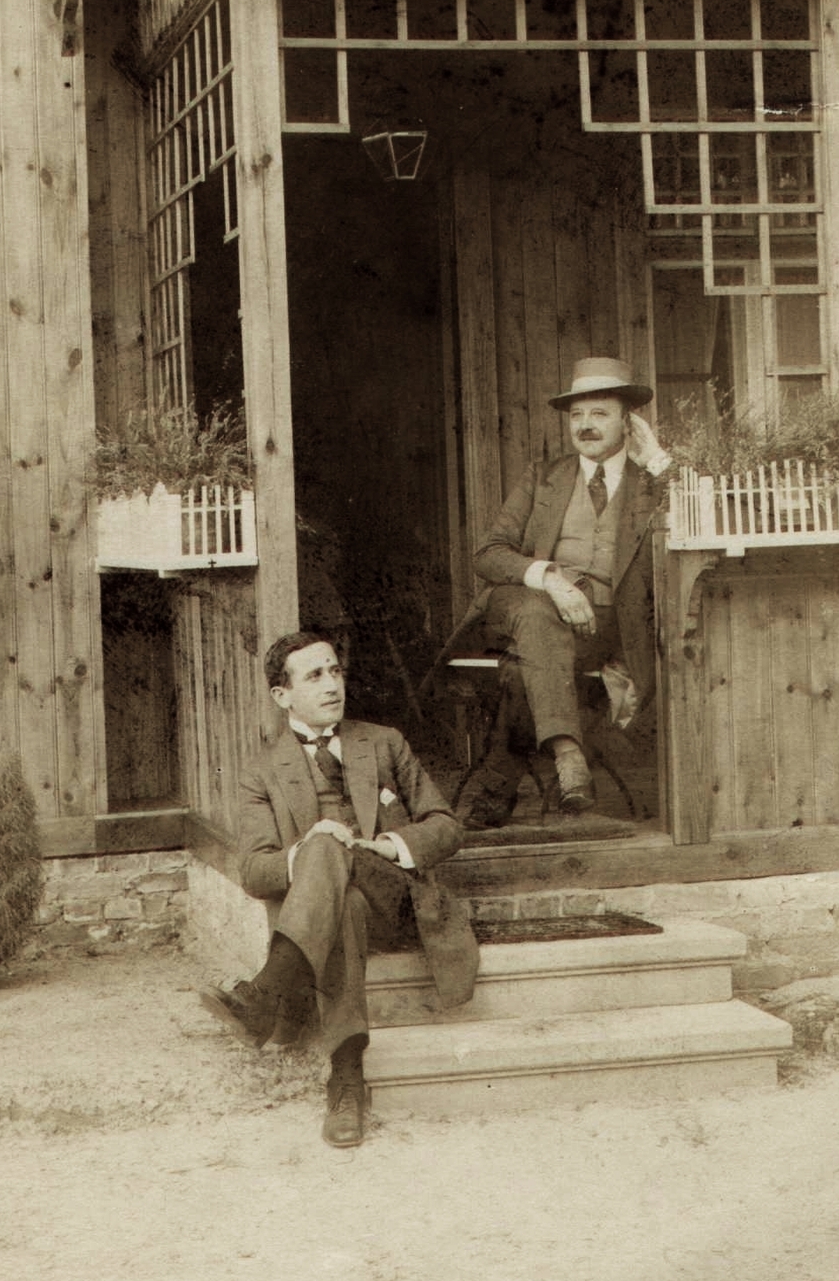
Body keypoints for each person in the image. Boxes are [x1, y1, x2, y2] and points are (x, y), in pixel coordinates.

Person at [199, 632, 478, 1148]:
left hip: (394, 898)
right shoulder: (262, 773)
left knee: (332, 851)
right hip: (338, 912)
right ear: (282, 696)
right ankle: (347, 1080)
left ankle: (265, 992)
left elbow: (446, 824)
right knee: (334, 877)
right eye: (314, 676)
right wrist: (307, 851)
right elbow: (256, 872)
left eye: (335, 671)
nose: (332, 685)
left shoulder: (385, 742)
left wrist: (392, 844)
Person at [463, 357, 672, 827]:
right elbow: (489, 554)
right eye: (577, 415)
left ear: (628, 421)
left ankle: (499, 786)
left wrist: (657, 458)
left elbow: (699, 511)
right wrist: (552, 581)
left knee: (522, 674)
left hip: (602, 626)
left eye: (599, 413)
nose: (585, 425)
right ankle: (569, 755)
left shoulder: (650, 485)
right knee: (537, 616)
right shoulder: (543, 477)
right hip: (523, 608)